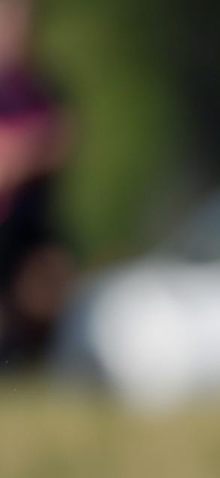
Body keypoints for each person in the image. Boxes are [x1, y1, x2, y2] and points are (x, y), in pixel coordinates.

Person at [0, 0, 70, 370]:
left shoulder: (40, 90)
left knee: (50, 282)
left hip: (27, 221)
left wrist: (24, 152)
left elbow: (62, 139)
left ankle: (32, 365)